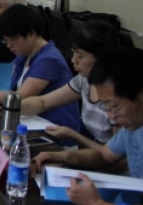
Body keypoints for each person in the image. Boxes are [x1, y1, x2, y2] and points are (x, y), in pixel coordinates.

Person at [33, 48, 143, 205]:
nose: (111, 116)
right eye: (106, 107)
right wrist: (61, 156)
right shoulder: (133, 126)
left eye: (115, 106)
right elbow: (103, 155)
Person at [0, 4, 80, 131]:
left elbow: (19, 97)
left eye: (12, 40)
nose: (8, 46)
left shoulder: (48, 60)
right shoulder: (25, 54)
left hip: (53, 130)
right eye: (6, 41)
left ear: (31, 34)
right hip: (29, 120)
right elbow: (0, 79)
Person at [20, 20, 132, 149]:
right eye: (73, 53)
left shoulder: (117, 95)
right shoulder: (84, 80)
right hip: (94, 153)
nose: (73, 60)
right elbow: (43, 102)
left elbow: (115, 155)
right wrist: (10, 108)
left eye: (80, 56)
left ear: (102, 58)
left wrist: (73, 136)